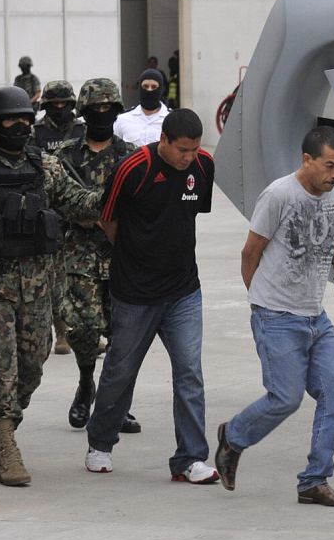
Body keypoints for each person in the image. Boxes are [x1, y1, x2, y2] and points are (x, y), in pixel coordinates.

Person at [0, 86, 100, 485]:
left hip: (37, 288)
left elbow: (79, 202)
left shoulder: (45, 166)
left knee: (31, 368)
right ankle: (6, 447)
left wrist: (117, 193)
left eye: (24, 119)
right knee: (1, 368)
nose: (19, 125)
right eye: (10, 120)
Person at [213, 127, 334, 507]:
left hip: (316, 316)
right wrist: (262, 304)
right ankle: (233, 436)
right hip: (276, 315)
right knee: (285, 398)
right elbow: (250, 252)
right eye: (329, 166)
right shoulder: (278, 195)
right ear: (307, 160)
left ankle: (314, 480)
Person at [84, 108, 218, 482]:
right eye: (182, 150)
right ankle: (100, 443)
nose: (188, 157)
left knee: (190, 373)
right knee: (120, 371)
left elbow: (191, 213)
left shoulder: (203, 166)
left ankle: (190, 458)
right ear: (164, 140)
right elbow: (107, 218)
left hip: (183, 291)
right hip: (135, 293)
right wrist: (134, 254)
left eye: (194, 149)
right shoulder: (134, 169)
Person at [59, 79, 141, 433]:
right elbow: (54, 199)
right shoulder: (65, 156)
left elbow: (140, 202)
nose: (102, 114)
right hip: (78, 254)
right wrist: (82, 214)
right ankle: (85, 381)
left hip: (119, 253)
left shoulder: (130, 155)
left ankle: (116, 403)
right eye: (95, 109)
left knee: (123, 334)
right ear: (84, 112)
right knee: (83, 328)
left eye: (109, 109)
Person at [34, 80, 86, 356]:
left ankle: (83, 331)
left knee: (82, 277)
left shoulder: (81, 130)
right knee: (56, 279)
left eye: (64, 103)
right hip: (51, 212)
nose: (60, 107)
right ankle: (62, 332)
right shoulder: (36, 133)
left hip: (79, 209)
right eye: (54, 104)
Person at [114, 69, 170, 146]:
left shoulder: (171, 119)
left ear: (161, 89)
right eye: (145, 86)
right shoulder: (122, 119)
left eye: (154, 87)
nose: (149, 90)